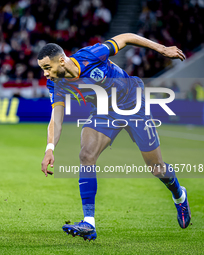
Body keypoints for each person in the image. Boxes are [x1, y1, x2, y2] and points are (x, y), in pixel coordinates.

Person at [37, 33, 190, 241]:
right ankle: (89, 222)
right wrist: (49, 148)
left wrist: (162, 49)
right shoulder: (56, 84)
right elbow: (56, 119)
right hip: (104, 112)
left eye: (47, 68)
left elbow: (126, 38)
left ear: (61, 61)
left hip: (133, 104)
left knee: (156, 168)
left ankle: (179, 194)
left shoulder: (91, 55)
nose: (45, 74)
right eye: (42, 69)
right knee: (86, 155)